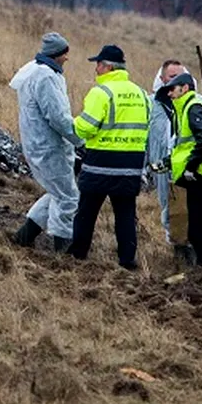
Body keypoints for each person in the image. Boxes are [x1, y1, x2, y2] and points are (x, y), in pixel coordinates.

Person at [67, 45, 150, 270]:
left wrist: (72, 123)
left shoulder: (101, 92)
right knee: (125, 214)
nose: (96, 69)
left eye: (99, 64)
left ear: (109, 67)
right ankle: (127, 260)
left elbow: (85, 128)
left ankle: (78, 254)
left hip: (100, 164)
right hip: (131, 166)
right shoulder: (142, 94)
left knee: (86, 212)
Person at [9, 32, 83, 251]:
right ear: (58, 54)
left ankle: (24, 236)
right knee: (68, 198)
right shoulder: (46, 76)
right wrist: (80, 141)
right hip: (48, 147)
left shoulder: (35, 71)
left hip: (39, 144)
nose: (67, 58)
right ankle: (63, 247)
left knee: (58, 192)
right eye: (65, 53)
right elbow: (58, 118)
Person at [162, 72, 202, 265]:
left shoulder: (193, 107)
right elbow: (185, 146)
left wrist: (190, 167)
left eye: (172, 89)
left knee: (198, 229)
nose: (170, 94)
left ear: (185, 88)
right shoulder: (188, 107)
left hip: (200, 175)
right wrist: (168, 162)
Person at [148, 59, 191, 258]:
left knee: (188, 207)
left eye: (179, 76)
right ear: (163, 78)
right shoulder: (152, 105)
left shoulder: (192, 105)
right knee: (168, 205)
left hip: (188, 166)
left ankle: (189, 248)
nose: (176, 80)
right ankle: (176, 249)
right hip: (162, 166)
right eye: (172, 76)